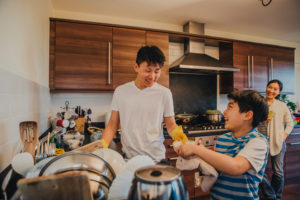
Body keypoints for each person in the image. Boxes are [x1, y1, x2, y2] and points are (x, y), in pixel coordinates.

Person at [175, 90, 269, 200]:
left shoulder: (258, 142)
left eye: (230, 107)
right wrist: (196, 157)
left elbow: (236, 167)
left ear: (247, 115)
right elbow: (217, 168)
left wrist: (196, 149)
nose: (224, 111)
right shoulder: (222, 139)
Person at [99, 45, 187, 162]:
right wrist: (102, 146)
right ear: (136, 67)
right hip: (129, 159)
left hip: (156, 159)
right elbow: (112, 125)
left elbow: (170, 124)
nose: (152, 76)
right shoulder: (121, 92)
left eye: (157, 71)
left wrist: (178, 135)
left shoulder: (164, 93)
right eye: (147, 70)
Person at [258, 80, 294, 200]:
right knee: (259, 171)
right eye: (269, 87)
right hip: (260, 143)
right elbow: (251, 122)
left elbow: (290, 124)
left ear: (279, 92)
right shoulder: (258, 104)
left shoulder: (281, 106)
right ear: (266, 87)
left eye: (275, 89)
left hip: (277, 142)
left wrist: (283, 136)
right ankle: (270, 195)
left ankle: (276, 197)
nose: (271, 91)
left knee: (278, 173)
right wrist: (262, 121)